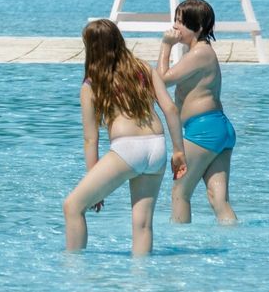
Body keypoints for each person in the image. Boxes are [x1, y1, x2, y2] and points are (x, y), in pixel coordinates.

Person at [63, 19, 186, 256]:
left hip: (126, 148)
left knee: (73, 206)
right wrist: (179, 151)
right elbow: (170, 109)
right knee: (142, 224)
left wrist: (94, 181)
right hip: (157, 146)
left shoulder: (92, 84)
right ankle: (141, 285)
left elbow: (90, 139)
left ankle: (74, 271)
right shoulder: (143, 69)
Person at [158, 0, 237, 224]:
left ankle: (181, 251)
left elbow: (162, 79)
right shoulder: (201, 52)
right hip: (218, 129)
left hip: (204, 131)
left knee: (180, 193)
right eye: (175, 20)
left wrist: (165, 46)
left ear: (199, 27)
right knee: (217, 199)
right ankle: (234, 242)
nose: (175, 27)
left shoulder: (199, 53)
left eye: (181, 22)